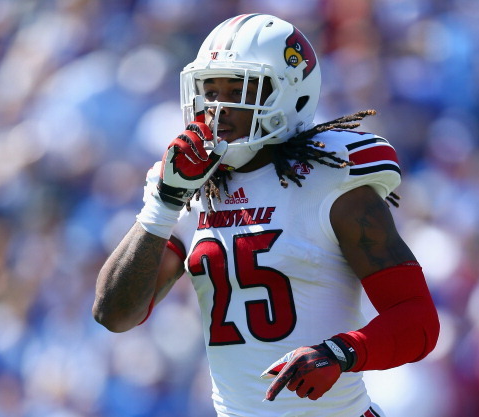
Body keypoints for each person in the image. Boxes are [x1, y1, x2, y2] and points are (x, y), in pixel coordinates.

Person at [93, 13, 440, 417]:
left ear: (289, 92)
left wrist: (343, 351)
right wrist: (163, 205)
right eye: (210, 90)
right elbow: (114, 314)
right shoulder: (192, 188)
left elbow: (417, 320)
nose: (218, 108)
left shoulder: (333, 183)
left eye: (238, 88)